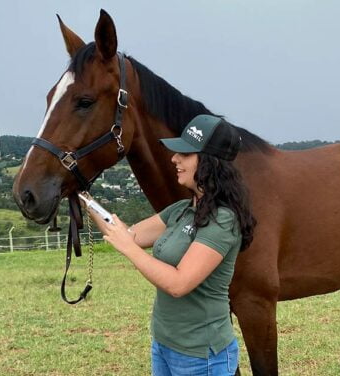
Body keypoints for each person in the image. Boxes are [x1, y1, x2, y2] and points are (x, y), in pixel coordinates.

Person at [86, 114, 255, 376]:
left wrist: (129, 249)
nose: (174, 159)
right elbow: (127, 234)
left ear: (209, 163)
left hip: (201, 355)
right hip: (165, 344)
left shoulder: (223, 220)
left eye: (185, 154)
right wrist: (83, 197)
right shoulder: (180, 211)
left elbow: (179, 284)